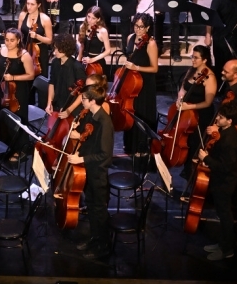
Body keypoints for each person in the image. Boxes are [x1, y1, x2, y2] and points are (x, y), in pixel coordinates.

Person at [67, 85, 114, 259]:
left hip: (98, 173)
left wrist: (81, 159)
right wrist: (78, 139)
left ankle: (103, 247)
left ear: (93, 101)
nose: (82, 102)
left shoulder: (104, 122)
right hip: (89, 170)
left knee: (99, 211)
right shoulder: (91, 116)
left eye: (84, 99)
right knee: (92, 208)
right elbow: (88, 139)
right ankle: (94, 239)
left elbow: (104, 155)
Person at [197, 100, 237, 261]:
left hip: (225, 183)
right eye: (219, 115)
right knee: (222, 215)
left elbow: (225, 167)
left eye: (221, 117)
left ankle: (227, 249)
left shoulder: (230, 140)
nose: (217, 118)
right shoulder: (225, 132)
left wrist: (206, 158)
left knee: (225, 217)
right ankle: (222, 244)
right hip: (221, 180)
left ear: (230, 121)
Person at [175, 45, 218, 180]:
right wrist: (179, 99)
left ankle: (192, 174)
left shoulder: (210, 77)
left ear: (204, 60)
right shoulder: (191, 70)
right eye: (192, 57)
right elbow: (183, 88)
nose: (192, 60)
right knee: (186, 141)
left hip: (201, 115)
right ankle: (186, 168)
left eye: (196, 58)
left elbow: (208, 103)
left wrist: (189, 106)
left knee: (195, 143)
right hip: (187, 113)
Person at [0, 28, 36, 163]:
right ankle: (6, 146)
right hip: (2, 89)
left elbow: (31, 75)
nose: (8, 43)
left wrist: (13, 77)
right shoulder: (1, 50)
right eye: (7, 40)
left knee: (18, 119)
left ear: (18, 40)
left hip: (18, 92)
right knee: (3, 117)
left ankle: (20, 149)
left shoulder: (24, 55)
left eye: (12, 40)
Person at [123, 13, 159, 154]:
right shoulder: (130, 38)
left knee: (142, 113)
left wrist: (136, 67)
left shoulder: (151, 43)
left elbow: (154, 68)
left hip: (145, 84)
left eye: (141, 27)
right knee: (131, 111)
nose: (138, 29)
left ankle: (142, 148)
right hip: (131, 82)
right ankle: (130, 146)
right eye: (136, 26)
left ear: (148, 28)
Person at [46, 34, 87, 116]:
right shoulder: (55, 62)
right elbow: (52, 82)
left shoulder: (77, 67)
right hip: (57, 105)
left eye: (58, 49)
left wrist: (69, 110)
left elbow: (83, 93)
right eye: (55, 48)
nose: (54, 52)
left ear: (66, 48)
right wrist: (49, 103)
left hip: (72, 109)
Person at [18, 0, 53, 78]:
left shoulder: (45, 19)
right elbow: (18, 33)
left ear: (39, 5)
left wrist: (37, 36)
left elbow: (49, 40)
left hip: (39, 52)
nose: (29, 7)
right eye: (28, 3)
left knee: (40, 77)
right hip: (25, 48)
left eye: (32, 4)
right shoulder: (22, 15)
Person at [78, 7, 114, 73]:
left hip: (97, 60)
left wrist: (92, 60)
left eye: (93, 18)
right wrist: (79, 59)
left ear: (98, 19)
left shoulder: (103, 31)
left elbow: (108, 51)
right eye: (88, 16)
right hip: (84, 60)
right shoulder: (82, 27)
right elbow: (82, 45)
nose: (89, 20)